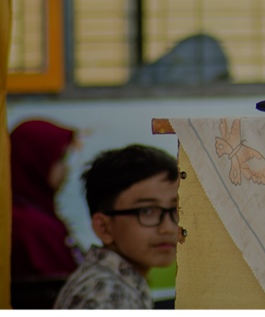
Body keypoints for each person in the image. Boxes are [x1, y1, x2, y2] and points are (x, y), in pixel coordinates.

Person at [54, 144, 180, 309]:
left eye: (177, 210)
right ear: (104, 228)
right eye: (146, 211)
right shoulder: (108, 296)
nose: (168, 228)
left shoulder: (113, 283)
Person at [10, 119, 82, 283]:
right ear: (34, 161)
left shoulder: (28, 212)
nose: (66, 168)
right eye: (60, 159)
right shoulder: (33, 225)